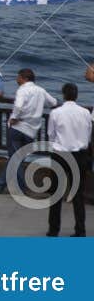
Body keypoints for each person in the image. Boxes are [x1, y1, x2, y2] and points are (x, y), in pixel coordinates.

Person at [0, 67, 50, 195]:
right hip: (31, 131)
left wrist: (13, 118)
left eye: (18, 77)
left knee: (14, 158)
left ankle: (23, 187)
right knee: (17, 158)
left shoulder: (22, 90)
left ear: (24, 78)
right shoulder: (41, 91)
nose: (16, 79)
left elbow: (18, 106)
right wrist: (37, 107)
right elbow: (53, 102)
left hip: (18, 128)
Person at [47, 82, 92, 237]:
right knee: (78, 194)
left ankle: (54, 230)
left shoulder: (56, 112)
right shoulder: (86, 112)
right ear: (76, 95)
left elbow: (51, 135)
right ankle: (80, 230)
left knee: (56, 193)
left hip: (61, 153)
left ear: (64, 95)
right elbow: (88, 132)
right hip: (80, 154)